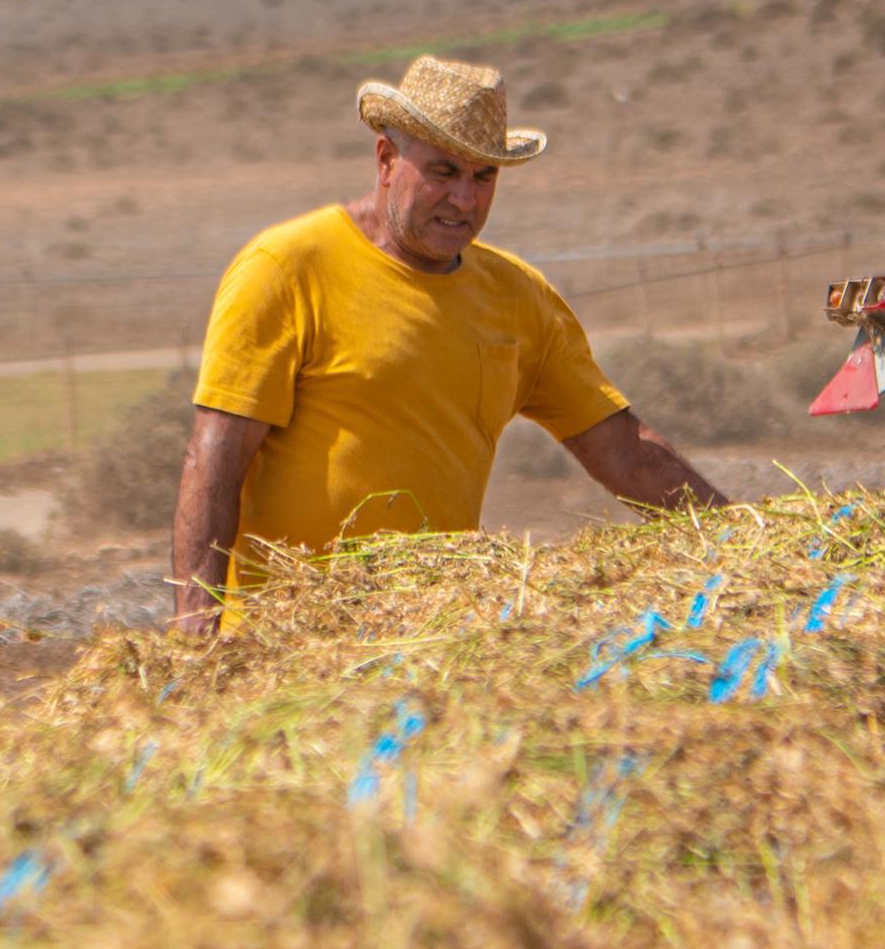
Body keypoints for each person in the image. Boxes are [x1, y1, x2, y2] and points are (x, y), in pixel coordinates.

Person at [174, 53, 725, 628]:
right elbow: (216, 453)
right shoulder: (287, 269)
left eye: (483, 177)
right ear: (387, 159)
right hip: (292, 635)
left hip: (430, 641)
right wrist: (195, 628)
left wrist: (742, 541)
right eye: (443, 172)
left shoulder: (519, 298)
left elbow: (622, 449)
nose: (465, 199)